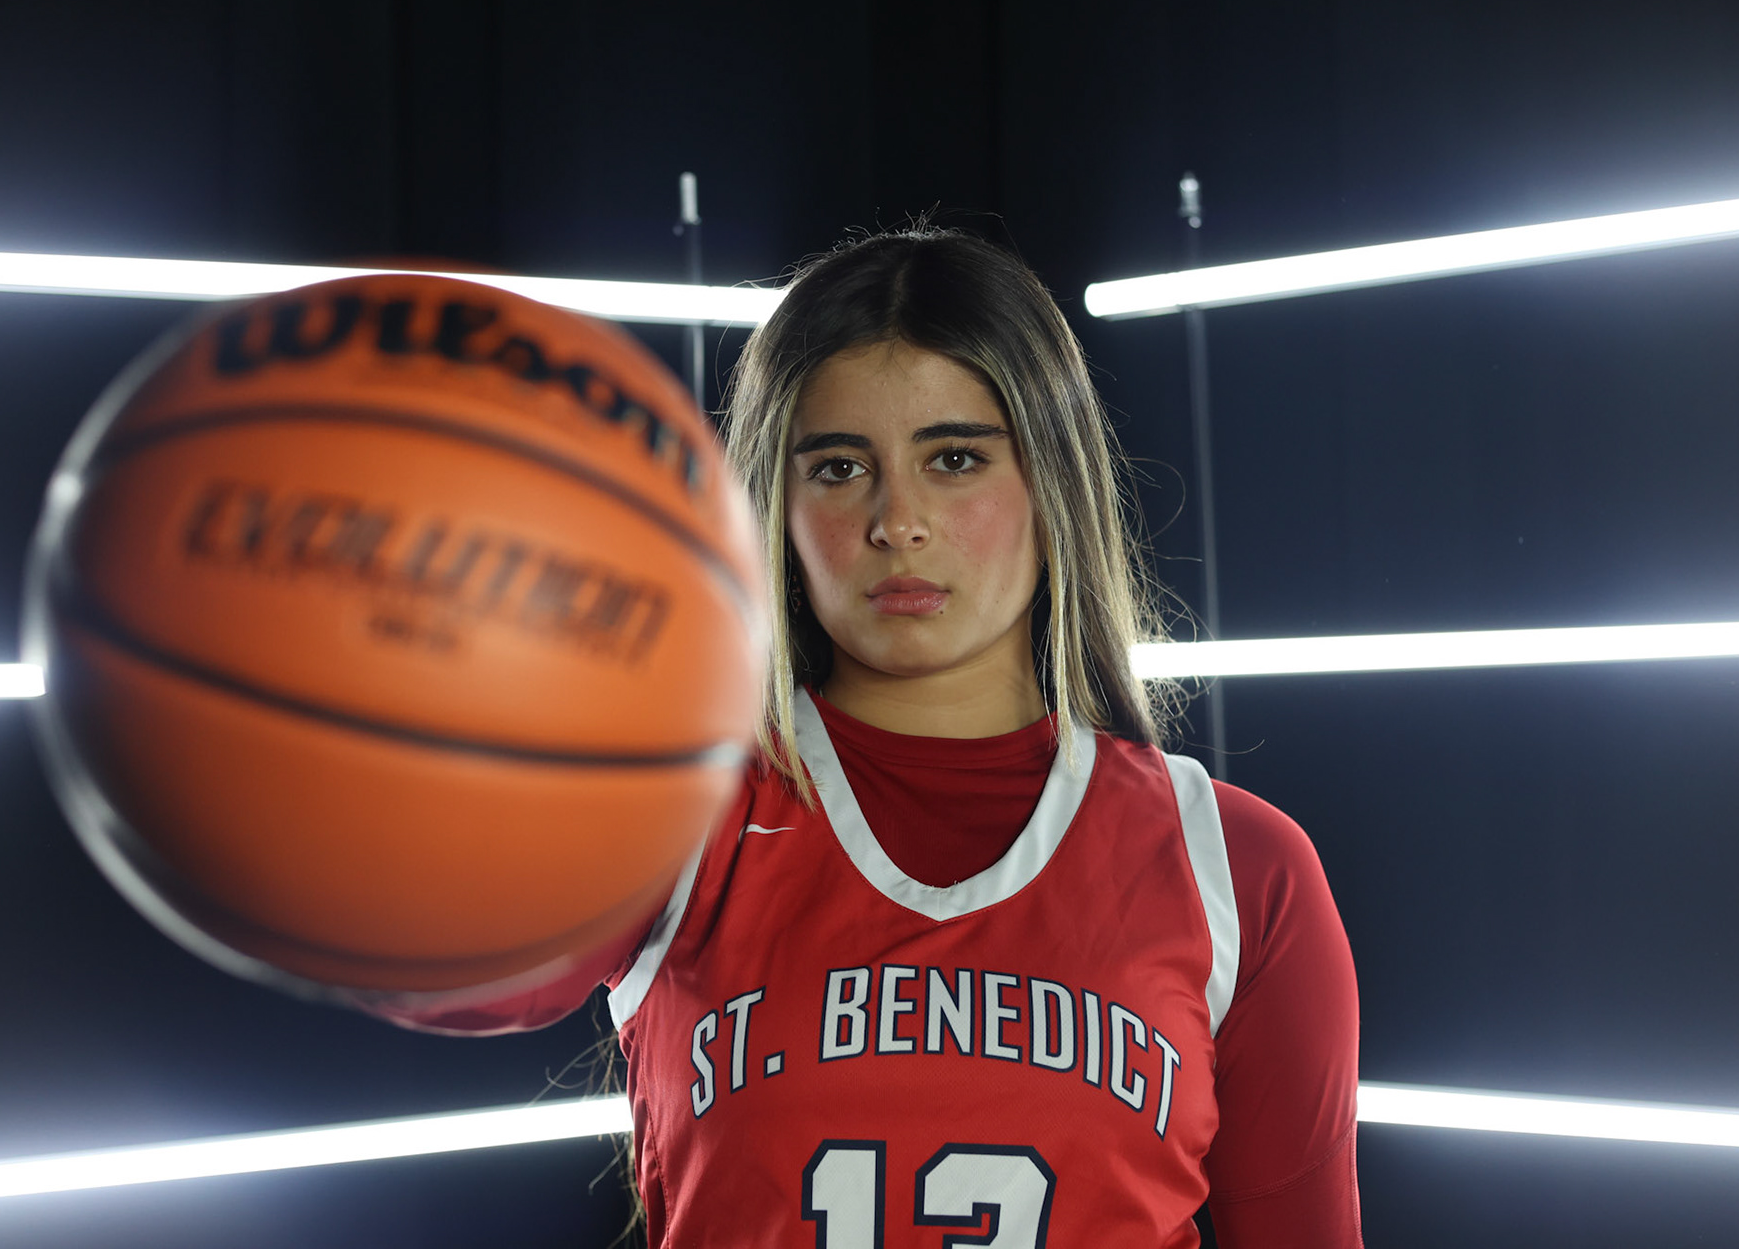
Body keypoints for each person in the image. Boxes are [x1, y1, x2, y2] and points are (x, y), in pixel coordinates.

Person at [361, 227, 1362, 1247]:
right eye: (839, 467)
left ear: (1052, 483)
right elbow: (434, 965)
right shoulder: (677, 813)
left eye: (956, 457)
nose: (898, 520)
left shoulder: (1236, 867)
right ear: (777, 508)